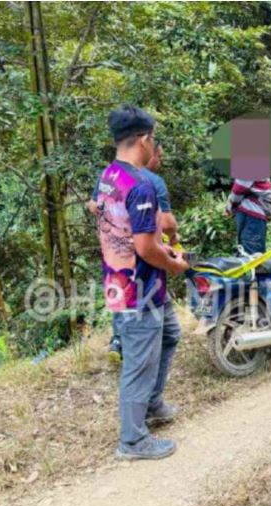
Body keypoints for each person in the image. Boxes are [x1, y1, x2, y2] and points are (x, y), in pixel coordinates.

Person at [94, 104, 189, 461]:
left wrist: (160, 250)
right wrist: (174, 264)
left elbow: (126, 231)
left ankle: (152, 403)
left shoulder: (109, 177)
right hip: (140, 288)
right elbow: (147, 247)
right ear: (144, 140)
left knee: (169, 335)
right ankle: (132, 440)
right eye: (154, 140)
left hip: (122, 279)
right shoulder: (141, 184)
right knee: (139, 361)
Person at [89, 141, 179, 363]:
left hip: (115, 252)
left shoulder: (111, 175)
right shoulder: (151, 182)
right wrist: (174, 239)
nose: (160, 161)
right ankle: (134, 356)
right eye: (160, 155)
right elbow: (167, 223)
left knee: (121, 292)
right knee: (142, 300)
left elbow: (92, 205)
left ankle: (118, 340)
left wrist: (114, 217)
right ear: (150, 149)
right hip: (141, 258)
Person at [224, 178, 271, 254]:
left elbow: (239, 189)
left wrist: (229, 207)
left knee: (250, 253)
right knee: (251, 252)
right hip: (255, 214)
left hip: (251, 214)